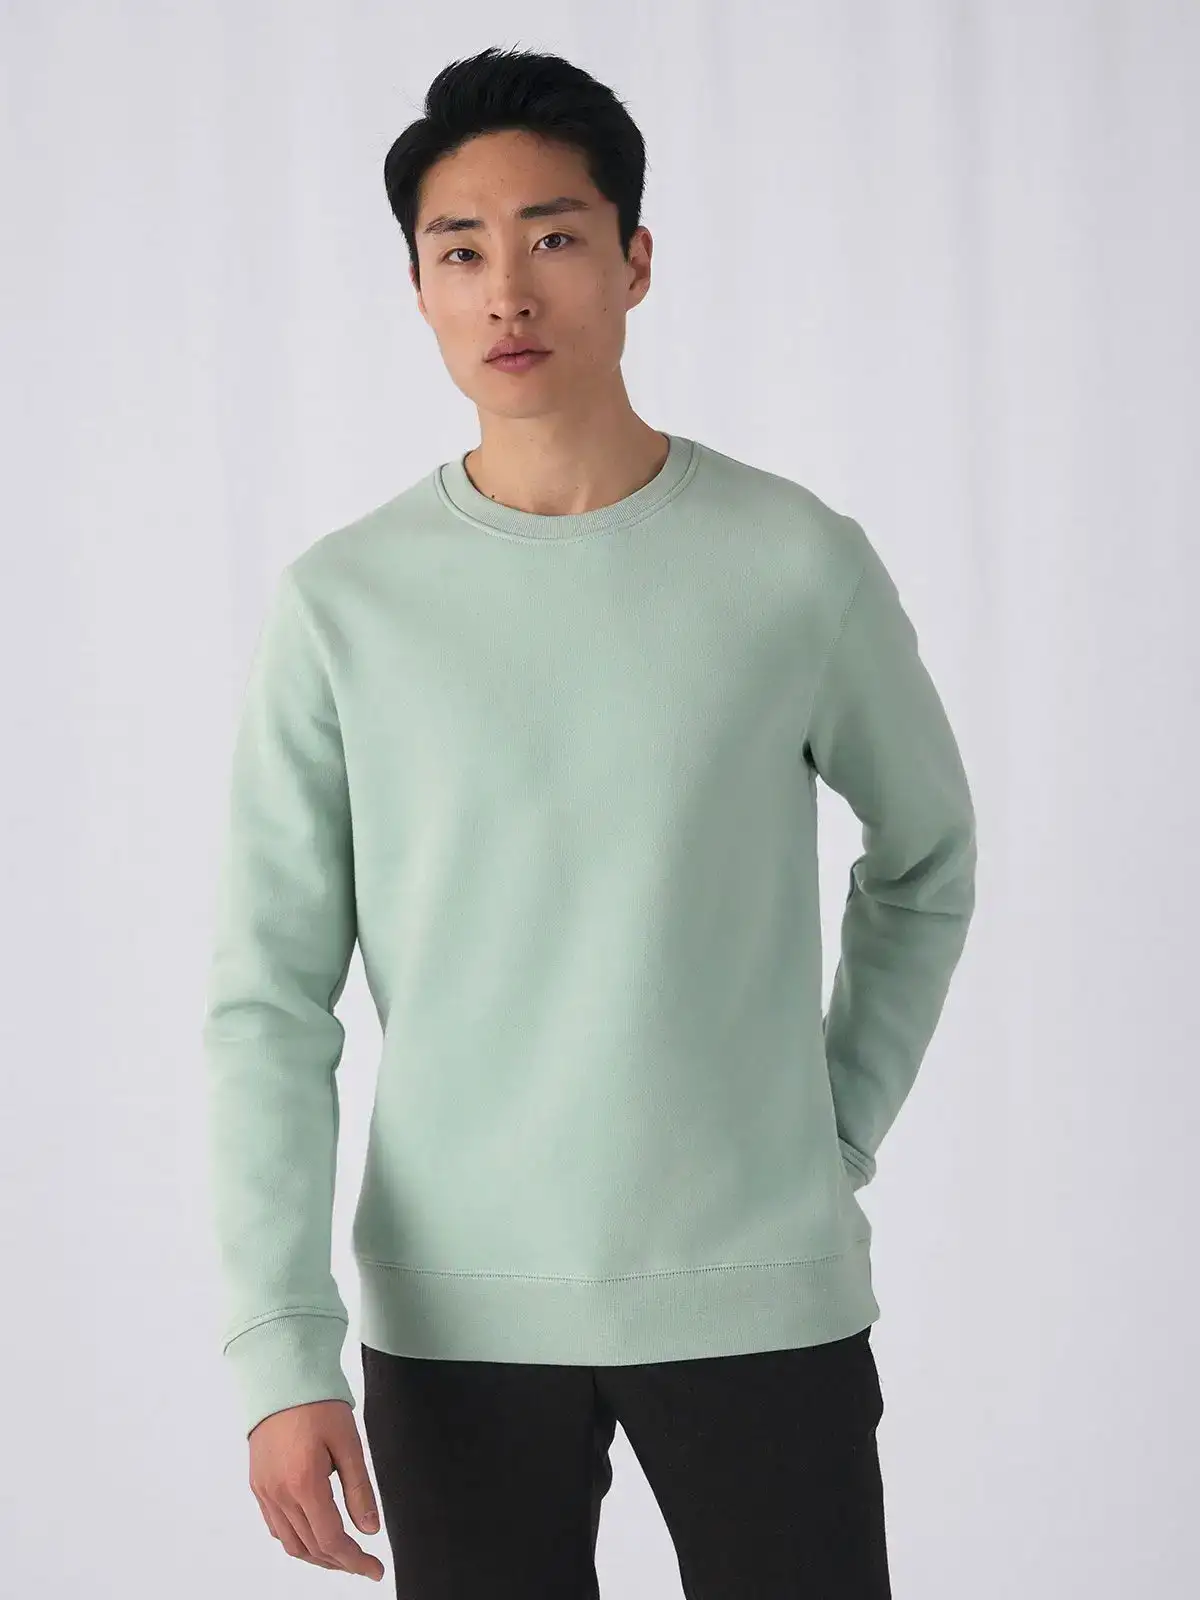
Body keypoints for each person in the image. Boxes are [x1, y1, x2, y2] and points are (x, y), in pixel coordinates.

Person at [201, 43, 977, 1597]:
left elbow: (926, 859)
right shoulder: (346, 605)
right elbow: (268, 999)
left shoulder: (792, 563)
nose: (508, 291)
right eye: (459, 251)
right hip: (454, 1318)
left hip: (759, 1295)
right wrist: (281, 1349)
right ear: (417, 288)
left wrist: (829, 1129)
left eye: (553, 237)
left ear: (635, 260)